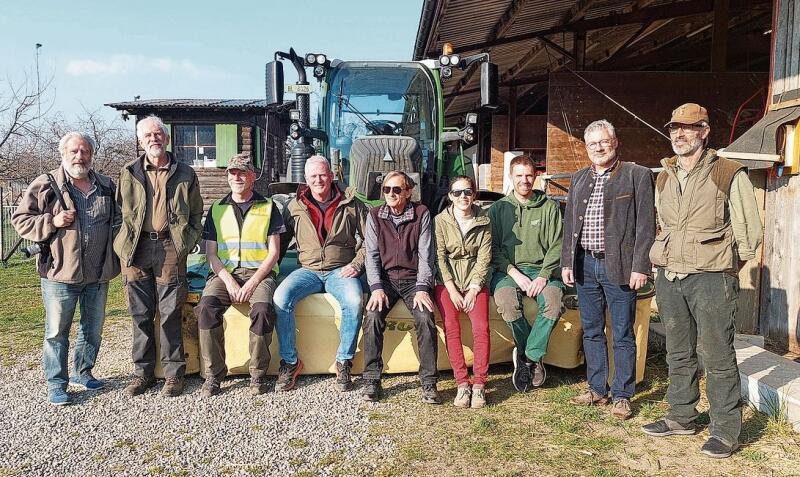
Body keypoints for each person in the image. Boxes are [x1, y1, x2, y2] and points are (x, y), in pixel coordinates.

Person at [641, 103, 762, 458]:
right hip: (671, 275)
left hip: (712, 277)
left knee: (717, 354)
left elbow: (748, 231)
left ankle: (726, 431)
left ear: (705, 131)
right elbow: (663, 225)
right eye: (673, 128)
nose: (678, 135)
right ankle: (682, 416)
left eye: (687, 128)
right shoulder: (664, 175)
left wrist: (725, 268)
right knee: (679, 352)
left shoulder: (727, 172)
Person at [12, 132, 120, 405]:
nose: (79, 156)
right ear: (63, 154)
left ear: (91, 155)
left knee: (92, 328)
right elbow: (21, 220)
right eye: (73, 151)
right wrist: (52, 220)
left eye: (84, 151)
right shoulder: (46, 184)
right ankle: (56, 384)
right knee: (56, 332)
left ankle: (82, 373)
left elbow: (119, 222)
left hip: (97, 273)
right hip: (60, 273)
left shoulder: (107, 186)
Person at [561, 119, 655, 420]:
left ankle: (623, 394)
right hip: (585, 264)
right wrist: (567, 262)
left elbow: (646, 226)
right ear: (586, 148)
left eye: (603, 142)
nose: (598, 148)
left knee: (623, 332)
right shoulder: (578, 178)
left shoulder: (636, 175)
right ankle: (596, 388)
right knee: (591, 330)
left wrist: (641, 266)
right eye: (592, 144)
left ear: (614, 142)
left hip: (620, 267)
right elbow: (569, 225)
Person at [115, 115, 203, 398]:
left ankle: (173, 374)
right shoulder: (128, 172)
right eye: (148, 135)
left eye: (158, 134)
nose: (154, 139)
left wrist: (185, 243)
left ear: (166, 138)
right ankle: (143, 374)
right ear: (140, 141)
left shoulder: (185, 173)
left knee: (170, 313)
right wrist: (121, 243)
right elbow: (118, 213)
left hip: (169, 248)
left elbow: (197, 213)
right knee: (140, 313)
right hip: (136, 249)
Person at [273, 155, 368, 392]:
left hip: (341, 271)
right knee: (280, 298)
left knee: (355, 301)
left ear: (332, 175)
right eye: (313, 176)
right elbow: (281, 241)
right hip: (308, 271)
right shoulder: (294, 205)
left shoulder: (351, 203)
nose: (319, 180)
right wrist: (271, 270)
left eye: (323, 174)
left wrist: (357, 264)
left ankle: (344, 360)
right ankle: (290, 361)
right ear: (305, 179)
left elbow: (370, 241)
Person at [194, 154, 283, 397]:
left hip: (259, 273)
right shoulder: (217, 209)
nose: (237, 177)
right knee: (205, 308)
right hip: (225, 275)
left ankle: (257, 375)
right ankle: (213, 375)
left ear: (252, 176)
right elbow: (211, 254)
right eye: (232, 173)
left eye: (242, 172)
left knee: (263, 310)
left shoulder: (268, 207)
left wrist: (253, 283)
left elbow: (274, 253)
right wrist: (230, 281)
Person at [362, 171, 440, 404]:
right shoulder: (375, 215)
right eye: (387, 189)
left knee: (425, 318)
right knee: (373, 316)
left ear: (408, 192)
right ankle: (372, 379)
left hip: (413, 280)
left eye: (397, 189)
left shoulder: (421, 213)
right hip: (385, 280)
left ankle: (428, 382)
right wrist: (376, 287)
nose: (391, 194)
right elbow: (371, 256)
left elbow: (427, 255)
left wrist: (423, 287)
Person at [489, 155, 563, 392]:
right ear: (511, 177)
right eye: (519, 175)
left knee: (553, 301)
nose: (525, 180)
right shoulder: (499, 209)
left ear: (536, 176)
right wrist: (514, 273)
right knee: (507, 302)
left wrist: (543, 275)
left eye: (529, 175)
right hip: (508, 270)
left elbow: (558, 245)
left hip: (543, 269)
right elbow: (493, 248)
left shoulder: (550, 207)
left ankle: (529, 357)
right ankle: (527, 351)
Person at [433, 175, 492, 408]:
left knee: (481, 328)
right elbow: (439, 256)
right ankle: (461, 383)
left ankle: (479, 384)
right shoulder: (440, 221)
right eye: (457, 193)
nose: (463, 197)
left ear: (474, 194)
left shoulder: (484, 221)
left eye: (467, 192)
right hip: (448, 283)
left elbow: (484, 257)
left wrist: (474, 288)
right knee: (451, 327)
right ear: (450, 196)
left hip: (474, 283)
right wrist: (452, 288)